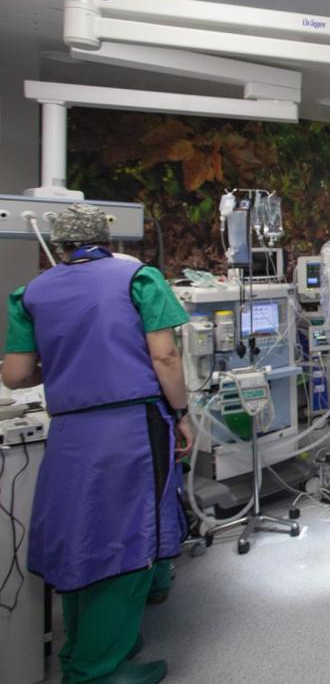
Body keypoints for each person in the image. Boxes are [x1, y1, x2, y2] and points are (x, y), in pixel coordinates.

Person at [1, 203, 193, 684]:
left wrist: (68, 364)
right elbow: (165, 356)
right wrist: (184, 415)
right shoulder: (138, 280)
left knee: (82, 539)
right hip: (131, 427)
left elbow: (17, 374)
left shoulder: (30, 293)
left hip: (70, 431)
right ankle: (99, 669)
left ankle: (82, 652)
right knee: (128, 540)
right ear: (109, 242)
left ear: (60, 245)